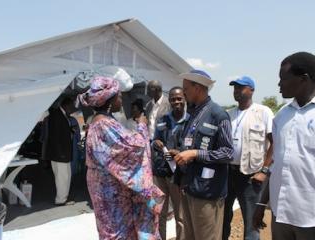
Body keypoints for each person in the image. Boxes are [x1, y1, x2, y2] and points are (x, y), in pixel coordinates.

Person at [78, 76, 164, 240]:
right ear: (109, 101)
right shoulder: (105, 125)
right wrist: (142, 126)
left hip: (103, 186)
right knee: (116, 231)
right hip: (110, 191)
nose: (121, 99)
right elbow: (135, 149)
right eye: (119, 96)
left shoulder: (99, 122)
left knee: (109, 229)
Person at [253, 52, 315, 239]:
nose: (279, 84)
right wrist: (261, 204)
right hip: (281, 214)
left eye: (283, 78)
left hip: (311, 217)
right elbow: (276, 165)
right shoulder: (282, 115)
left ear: (303, 79)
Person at [171, 70, 234, 240]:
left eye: (186, 88)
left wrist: (195, 154)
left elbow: (228, 153)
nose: (183, 93)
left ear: (197, 87)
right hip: (190, 187)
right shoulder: (193, 114)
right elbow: (191, 143)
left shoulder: (218, 115)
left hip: (208, 193)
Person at [223, 76, 274, 240]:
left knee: (252, 221)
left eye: (240, 87)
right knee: (223, 217)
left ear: (251, 90)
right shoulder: (228, 114)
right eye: (235, 88)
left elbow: (275, 144)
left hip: (251, 176)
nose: (236, 91)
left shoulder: (263, 112)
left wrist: (264, 171)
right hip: (227, 173)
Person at [152, 87, 189, 240]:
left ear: (184, 98)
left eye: (179, 98)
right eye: (173, 99)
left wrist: (179, 152)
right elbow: (153, 140)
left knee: (180, 216)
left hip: (178, 175)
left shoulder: (191, 121)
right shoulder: (162, 120)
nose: (176, 102)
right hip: (160, 173)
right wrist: (155, 143)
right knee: (159, 213)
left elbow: (193, 148)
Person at [42, 97, 76, 205]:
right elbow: (55, 136)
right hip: (60, 154)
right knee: (62, 177)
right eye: (72, 106)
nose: (73, 109)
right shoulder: (57, 115)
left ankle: (63, 197)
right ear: (66, 106)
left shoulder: (60, 115)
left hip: (61, 153)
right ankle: (61, 200)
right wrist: (61, 154)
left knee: (65, 176)